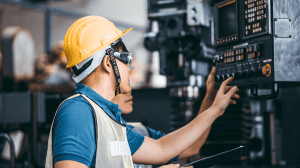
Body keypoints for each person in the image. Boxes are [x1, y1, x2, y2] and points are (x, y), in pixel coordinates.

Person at [44, 16, 239, 168]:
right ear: (107, 63)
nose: (131, 68)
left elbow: (162, 148)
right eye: (126, 59)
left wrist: (214, 109)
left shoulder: (111, 121)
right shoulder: (78, 112)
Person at [111, 67, 227, 168]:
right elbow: (161, 149)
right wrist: (214, 110)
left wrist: (210, 99)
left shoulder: (138, 132)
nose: (128, 89)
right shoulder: (107, 138)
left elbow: (190, 146)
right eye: (120, 82)